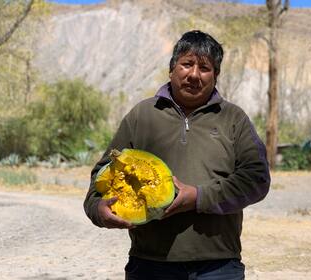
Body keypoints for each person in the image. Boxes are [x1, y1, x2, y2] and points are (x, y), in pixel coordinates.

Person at [84, 30, 270, 280]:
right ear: (172, 69)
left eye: (205, 68)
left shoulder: (233, 119)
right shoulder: (142, 115)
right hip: (150, 265)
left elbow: (257, 180)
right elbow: (101, 179)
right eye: (187, 64)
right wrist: (99, 211)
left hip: (219, 267)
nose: (194, 74)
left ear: (215, 76)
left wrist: (199, 197)